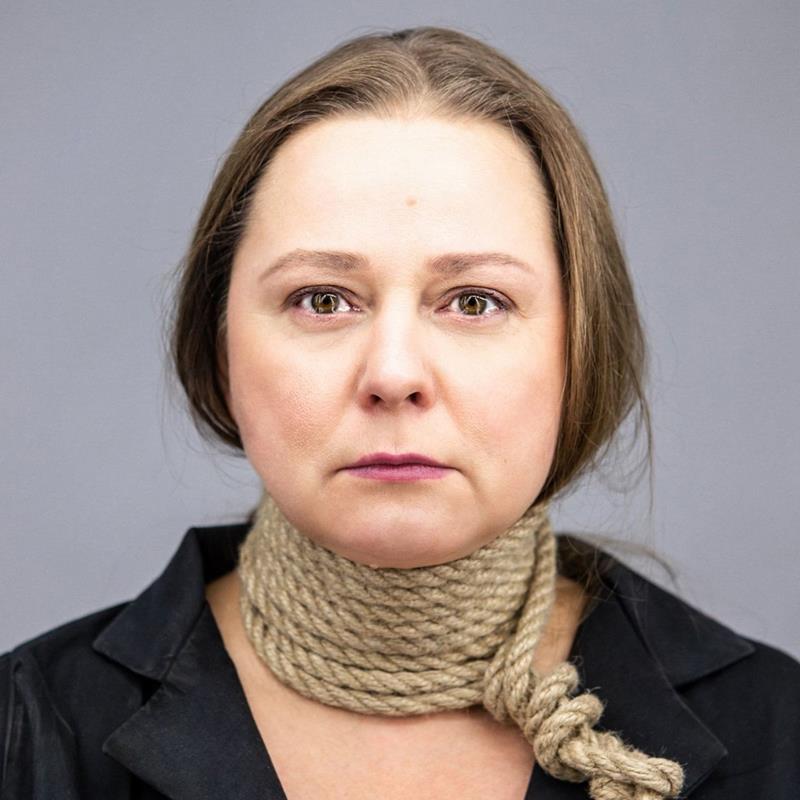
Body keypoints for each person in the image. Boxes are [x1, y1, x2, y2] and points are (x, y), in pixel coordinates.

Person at [1, 25, 798, 800]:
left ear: (581, 350)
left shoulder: (779, 729)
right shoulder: (26, 726)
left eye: (475, 301)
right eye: (322, 300)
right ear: (220, 350)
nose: (393, 374)